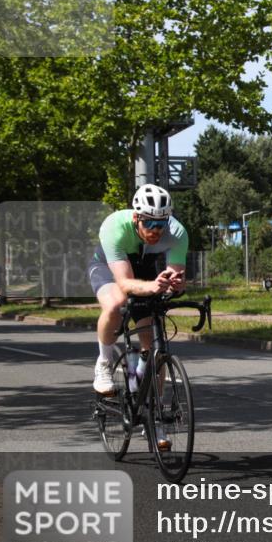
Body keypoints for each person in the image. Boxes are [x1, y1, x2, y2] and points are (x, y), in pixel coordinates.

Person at [87, 184, 188, 449]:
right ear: (136, 218)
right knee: (116, 303)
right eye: (149, 223)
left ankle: (153, 417)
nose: (156, 229)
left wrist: (176, 283)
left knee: (153, 348)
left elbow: (176, 275)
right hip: (110, 268)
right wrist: (153, 286)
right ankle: (104, 363)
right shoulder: (114, 226)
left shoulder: (177, 232)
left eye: (161, 223)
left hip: (146, 268)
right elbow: (124, 283)